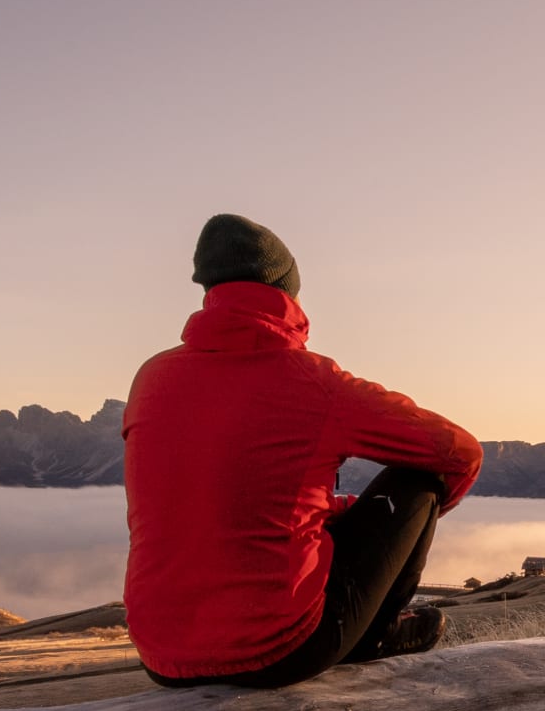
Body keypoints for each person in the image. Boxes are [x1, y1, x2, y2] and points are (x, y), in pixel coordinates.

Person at [123, 213, 482, 687]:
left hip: (162, 656)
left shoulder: (151, 378)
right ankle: (377, 635)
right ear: (287, 291)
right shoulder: (314, 381)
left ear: (209, 291)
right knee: (420, 480)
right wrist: (408, 525)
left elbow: (229, 496)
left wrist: (327, 514)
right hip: (279, 650)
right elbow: (459, 451)